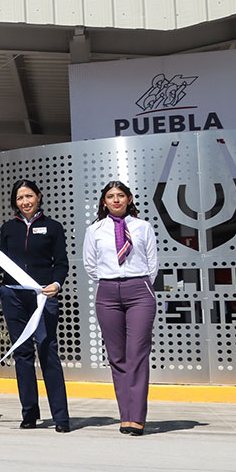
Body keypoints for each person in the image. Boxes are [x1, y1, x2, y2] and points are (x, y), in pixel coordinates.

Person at [0, 180, 70, 432]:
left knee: (47, 351)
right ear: (15, 202)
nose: (25, 202)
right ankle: (29, 414)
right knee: (22, 354)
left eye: (29, 196)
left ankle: (61, 417)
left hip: (43, 298)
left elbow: (61, 263)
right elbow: (3, 262)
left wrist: (57, 284)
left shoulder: (53, 227)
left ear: (39, 197)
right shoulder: (8, 228)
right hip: (13, 296)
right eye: (20, 198)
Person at [83, 180, 159, 436]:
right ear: (104, 202)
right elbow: (90, 265)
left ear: (129, 199)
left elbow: (152, 263)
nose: (116, 200)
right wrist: (111, 278)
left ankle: (137, 418)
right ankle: (124, 416)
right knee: (116, 357)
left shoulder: (143, 227)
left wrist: (135, 281)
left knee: (137, 353)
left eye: (120, 195)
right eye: (110, 196)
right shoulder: (95, 230)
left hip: (139, 291)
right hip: (107, 292)